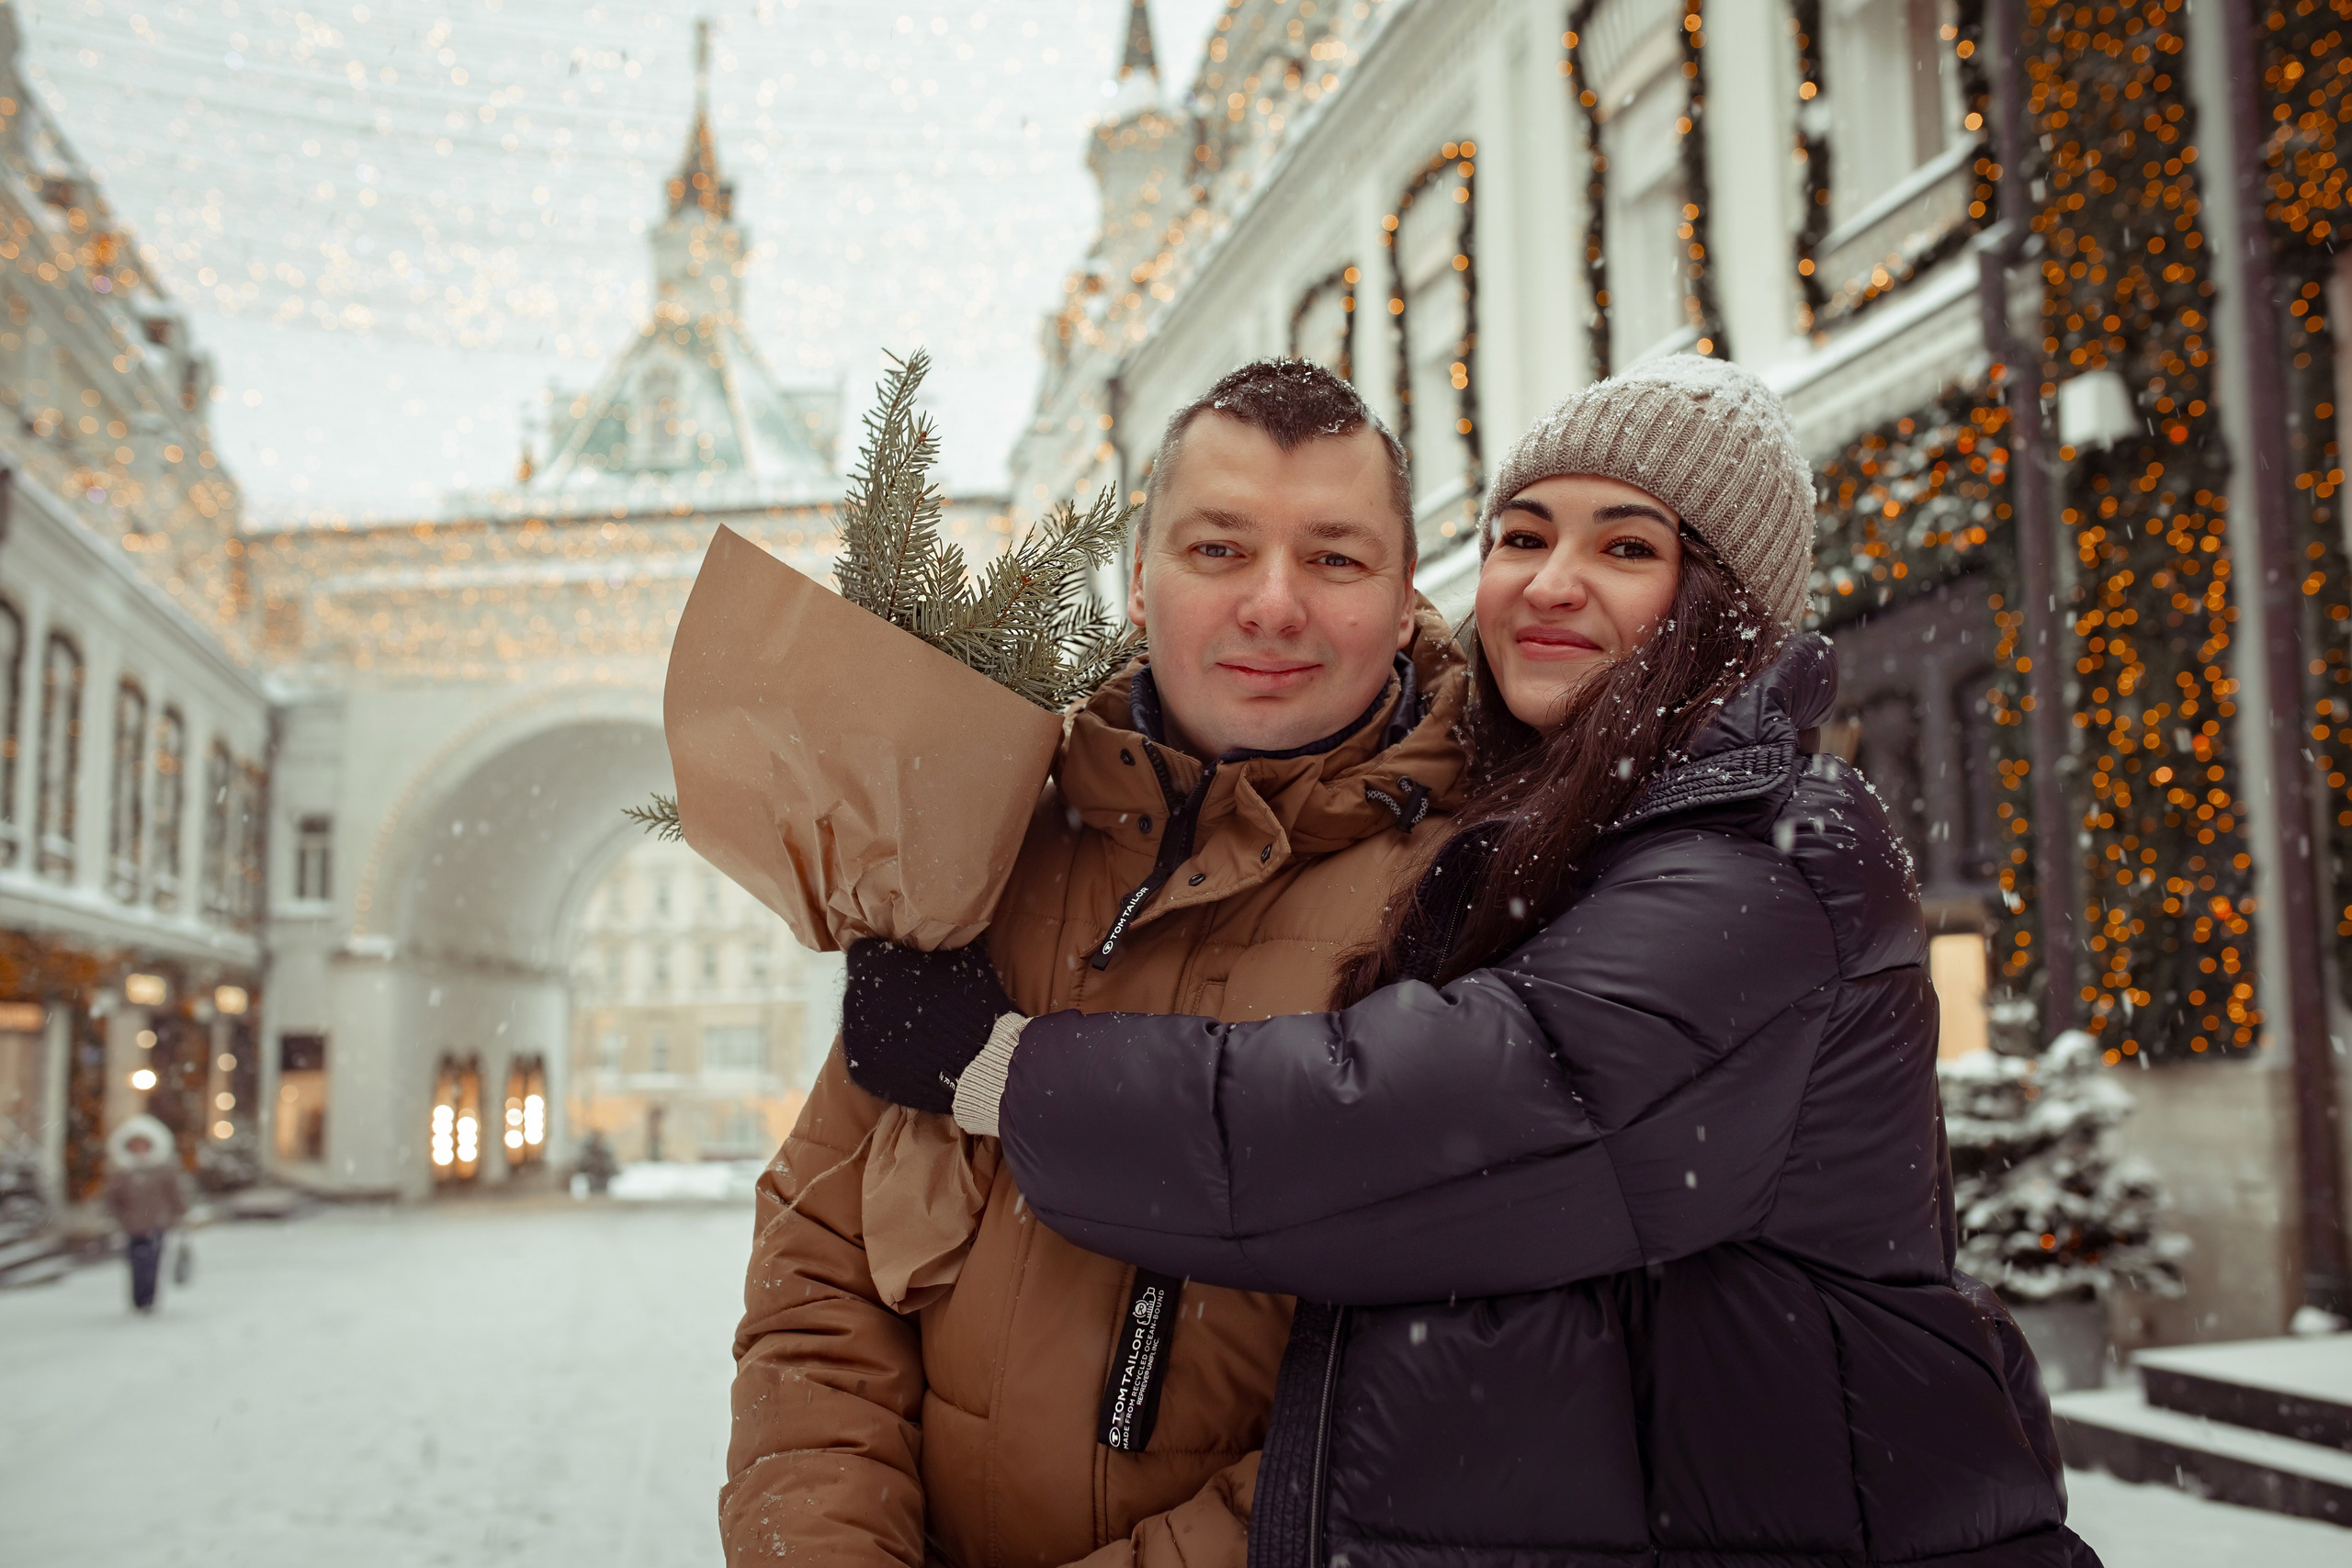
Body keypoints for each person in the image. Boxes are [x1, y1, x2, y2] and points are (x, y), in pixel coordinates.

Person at [842, 356, 2097, 1567]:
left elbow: (1453, 1113)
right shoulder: (1547, 825)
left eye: (1627, 546)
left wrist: (1003, 1068)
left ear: (1723, 603)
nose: (1552, 581)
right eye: (1522, 534)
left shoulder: (1768, 850)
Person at [722, 359, 1472, 1566]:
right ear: (1137, 581)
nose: (1273, 605)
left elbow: (1421, 1410)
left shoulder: (1475, 898)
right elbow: (820, 1274)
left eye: (1335, 558)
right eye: (1218, 549)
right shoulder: (984, 846)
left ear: (1402, 597)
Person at [105, 1113, 189, 1315]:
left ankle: (149, 1299)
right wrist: (117, 1217)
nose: (139, 1150)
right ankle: (138, 1298)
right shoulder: (122, 1172)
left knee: (153, 1262)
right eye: (135, 1145)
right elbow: (112, 1199)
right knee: (135, 1264)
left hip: (156, 1224)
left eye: (143, 1145)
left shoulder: (162, 1170)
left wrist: (180, 1213)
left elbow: (174, 1194)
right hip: (132, 1226)